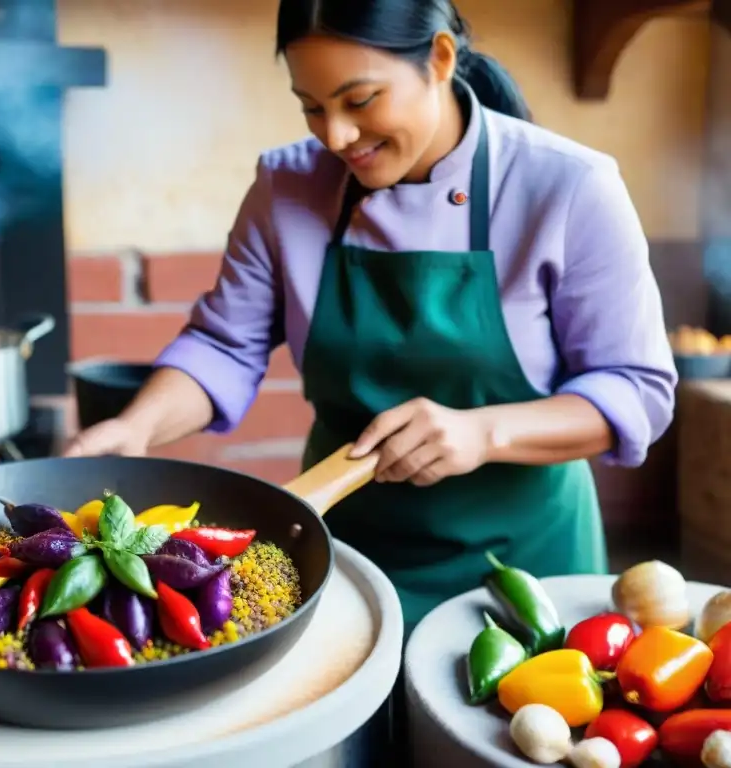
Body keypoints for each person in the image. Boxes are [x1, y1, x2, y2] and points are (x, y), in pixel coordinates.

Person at [65, 0, 676, 752]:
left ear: (442, 59)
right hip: (346, 557)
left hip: (529, 572)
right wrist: (132, 428)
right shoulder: (288, 187)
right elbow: (224, 346)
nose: (337, 137)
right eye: (312, 107)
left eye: (360, 101)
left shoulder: (566, 187)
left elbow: (637, 390)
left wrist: (483, 431)